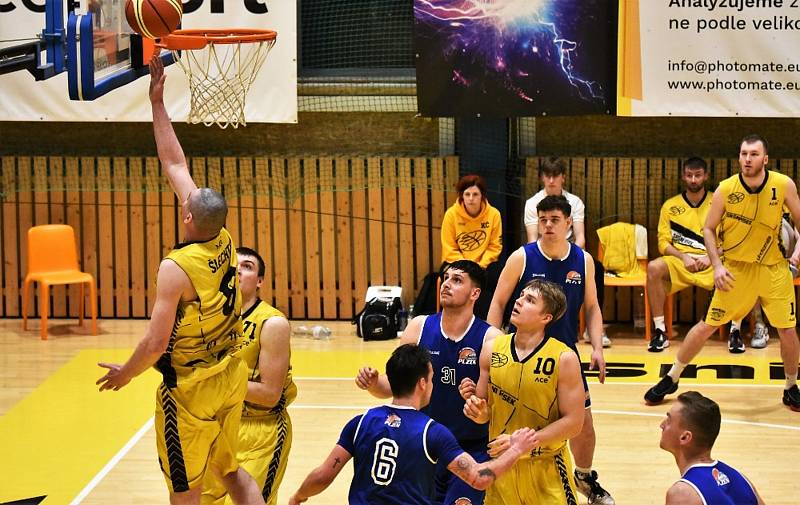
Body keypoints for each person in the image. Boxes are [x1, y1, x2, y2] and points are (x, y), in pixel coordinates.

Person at [95, 56, 265, 504]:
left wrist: (126, 374)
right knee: (230, 470)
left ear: (187, 215)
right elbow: (175, 162)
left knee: (184, 491)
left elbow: (155, 343)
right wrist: (157, 103)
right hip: (232, 371)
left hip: (191, 388)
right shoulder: (225, 236)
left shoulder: (175, 268)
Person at [645, 134, 800, 411]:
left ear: (765, 159)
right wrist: (717, 266)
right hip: (735, 270)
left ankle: (790, 386)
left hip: (774, 270)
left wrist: (796, 258)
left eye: (753, 154)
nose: (747, 159)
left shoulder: (783, 184)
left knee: (787, 330)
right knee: (706, 326)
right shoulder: (726, 189)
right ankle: (672, 377)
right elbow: (708, 228)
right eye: (743, 154)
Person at [289, 344, 539, 505]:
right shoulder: (433, 432)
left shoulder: (360, 423)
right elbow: (478, 478)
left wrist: (299, 496)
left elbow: (324, 475)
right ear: (422, 383)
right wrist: (517, 448)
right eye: (431, 379)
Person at [488, 195, 614, 505]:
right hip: (522, 351)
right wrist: (489, 343)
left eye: (554, 220)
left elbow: (593, 307)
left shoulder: (582, 260)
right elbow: (498, 302)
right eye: (542, 219)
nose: (547, 225)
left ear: (569, 223)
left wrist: (597, 347)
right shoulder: (522, 257)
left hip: (564, 355)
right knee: (509, 415)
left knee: (582, 423)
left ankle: (583, 476)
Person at [356, 259, 502, 505]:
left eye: (457, 280)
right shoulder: (419, 327)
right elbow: (395, 388)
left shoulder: (492, 339)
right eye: (446, 278)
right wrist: (373, 383)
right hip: (423, 446)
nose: (446, 284)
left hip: (469, 447)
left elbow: (500, 408)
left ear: (475, 293)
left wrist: (482, 411)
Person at [462, 279, 586, 504]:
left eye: (530, 300)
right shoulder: (491, 349)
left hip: (546, 470)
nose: (518, 301)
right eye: (521, 296)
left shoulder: (563, 358)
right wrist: (477, 410)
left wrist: (523, 444)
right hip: (502, 469)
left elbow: (574, 422)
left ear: (546, 318)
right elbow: (484, 410)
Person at [202, 247, 296, 505]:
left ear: (260, 282)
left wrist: (218, 383)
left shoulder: (272, 323)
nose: (239, 271)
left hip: (260, 429)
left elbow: (269, 394)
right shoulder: (206, 318)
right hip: (216, 428)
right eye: (234, 265)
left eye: (248, 266)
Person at [523, 156, 610, 347]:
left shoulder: (575, 202)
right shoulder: (532, 203)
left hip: (568, 250)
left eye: (556, 176)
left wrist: (569, 258)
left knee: (596, 267)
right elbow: (532, 239)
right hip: (542, 251)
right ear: (542, 178)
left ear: (563, 177)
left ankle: (592, 329)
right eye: (548, 176)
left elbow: (580, 237)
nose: (552, 180)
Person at [646, 157, 715, 352]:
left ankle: (735, 332)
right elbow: (662, 243)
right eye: (689, 175)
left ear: (705, 176)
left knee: (737, 267)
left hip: (710, 261)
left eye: (698, 175)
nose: (693, 180)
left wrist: (710, 257)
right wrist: (683, 257)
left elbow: (730, 240)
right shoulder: (670, 205)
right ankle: (660, 331)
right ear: (683, 177)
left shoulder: (717, 202)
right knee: (653, 268)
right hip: (680, 261)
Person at [659, 391, 765, 505]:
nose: (662, 425)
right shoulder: (741, 479)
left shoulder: (682, 494)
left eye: (669, 420)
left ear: (685, 437)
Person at [441, 174, 503, 319]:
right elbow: (449, 248)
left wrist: (479, 266)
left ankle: (487, 322)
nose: (471, 198)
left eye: (475, 194)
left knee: (493, 281)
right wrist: (465, 268)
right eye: (467, 194)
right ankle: (452, 319)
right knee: (451, 279)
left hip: (484, 265)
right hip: (456, 264)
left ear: (482, 196)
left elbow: (495, 247)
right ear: (462, 196)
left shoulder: (494, 215)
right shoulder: (451, 214)